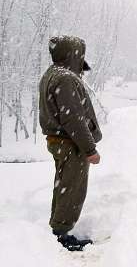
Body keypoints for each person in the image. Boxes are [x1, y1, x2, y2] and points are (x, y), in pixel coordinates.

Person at [39, 36, 103, 251]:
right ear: (73, 54)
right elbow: (73, 118)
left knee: (63, 185)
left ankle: (58, 227)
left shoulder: (51, 74)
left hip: (60, 141)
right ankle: (61, 234)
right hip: (70, 143)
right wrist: (90, 149)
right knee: (72, 188)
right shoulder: (65, 78)